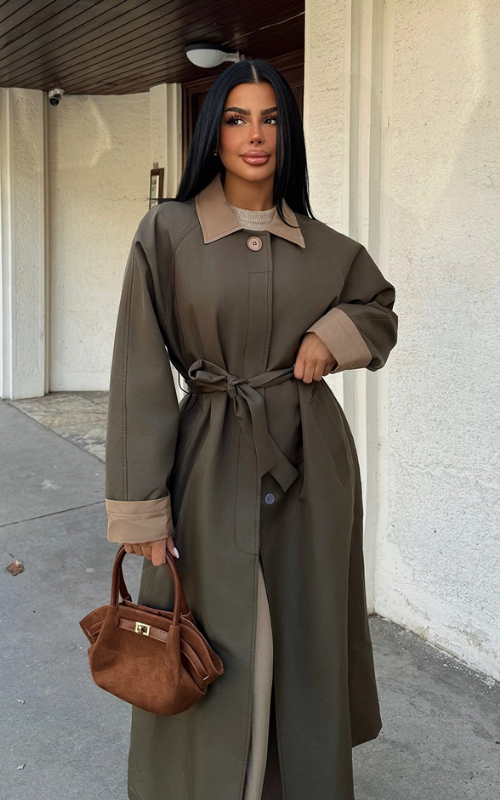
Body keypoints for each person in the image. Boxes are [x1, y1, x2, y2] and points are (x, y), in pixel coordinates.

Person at [104, 58, 398, 800]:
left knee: (303, 632)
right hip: (208, 459)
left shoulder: (328, 246)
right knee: (209, 630)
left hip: (310, 463)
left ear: (287, 133)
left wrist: (334, 335)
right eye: (237, 119)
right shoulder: (167, 232)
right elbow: (139, 365)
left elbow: (378, 307)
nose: (255, 135)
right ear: (214, 133)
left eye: (270, 119)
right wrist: (140, 508)